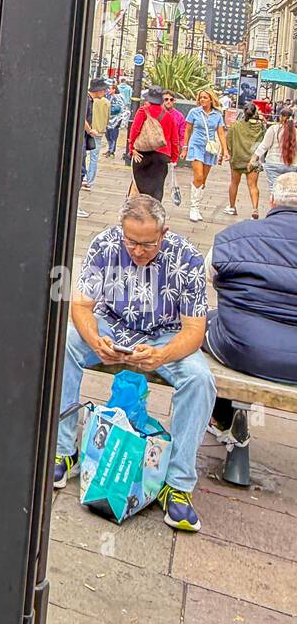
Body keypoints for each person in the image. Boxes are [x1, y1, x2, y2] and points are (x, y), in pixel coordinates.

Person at [54, 194, 215, 532]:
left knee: (200, 379)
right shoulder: (105, 245)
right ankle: (64, 448)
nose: (139, 251)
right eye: (132, 242)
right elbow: (81, 306)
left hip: (164, 336)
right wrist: (96, 340)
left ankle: (178, 483)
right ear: (121, 231)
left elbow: (194, 330)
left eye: (148, 244)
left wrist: (162, 355)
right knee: (66, 342)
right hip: (113, 325)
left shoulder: (187, 258)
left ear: (164, 232)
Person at [205, 170, 297, 389]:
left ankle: (221, 417)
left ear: (272, 201)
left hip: (242, 348)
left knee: (202, 321)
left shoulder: (236, 236)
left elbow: (207, 274)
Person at [182, 89, 227, 223]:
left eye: (205, 97)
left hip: (209, 147)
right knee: (199, 176)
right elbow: (188, 130)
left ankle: (198, 206)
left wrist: (225, 150)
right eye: (201, 97)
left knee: (204, 180)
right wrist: (185, 147)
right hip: (196, 145)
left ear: (211, 99)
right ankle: (193, 207)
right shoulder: (194, 112)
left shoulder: (217, 115)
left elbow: (220, 133)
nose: (202, 100)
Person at [127, 85, 179, 200]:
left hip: (141, 155)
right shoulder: (169, 116)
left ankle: (137, 211)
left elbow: (134, 130)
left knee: (138, 187)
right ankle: (154, 213)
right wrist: (174, 158)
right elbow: (174, 140)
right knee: (157, 188)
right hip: (162, 156)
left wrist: (131, 149)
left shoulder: (143, 111)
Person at [224, 103, 265, 219]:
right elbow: (263, 142)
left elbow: (228, 140)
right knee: (253, 186)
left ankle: (232, 207)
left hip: (237, 158)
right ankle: (255, 209)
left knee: (234, 183)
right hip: (253, 160)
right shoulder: (260, 127)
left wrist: (230, 153)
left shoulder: (236, 125)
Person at [248, 106, 297, 197]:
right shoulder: (295, 132)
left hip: (273, 163)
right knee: (288, 192)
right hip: (292, 165)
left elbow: (264, 146)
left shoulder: (273, 129)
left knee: (273, 190)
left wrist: (253, 158)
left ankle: (275, 209)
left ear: (280, 117)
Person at [83, 77, 111, 188]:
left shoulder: (90, 100)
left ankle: (86, 179)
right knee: (91, 157)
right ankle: (88, 180)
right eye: (104, 90)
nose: (105, 92)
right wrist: (89, 130)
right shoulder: (88, 99)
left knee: (87, 156)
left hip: (92, 131)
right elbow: (82, 118)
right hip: (93, 131)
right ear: (98, 90)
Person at [105, 82, 127, 157]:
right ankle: (109, 149)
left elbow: (119, 108)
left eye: (110, 89)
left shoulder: (118, 97)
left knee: (113, 135)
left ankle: (112, 151)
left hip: (116, 120)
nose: (108, 90)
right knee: (108, 135)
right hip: (109, 120)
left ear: (114, 90)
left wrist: (109, 110)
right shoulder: (109, 96)